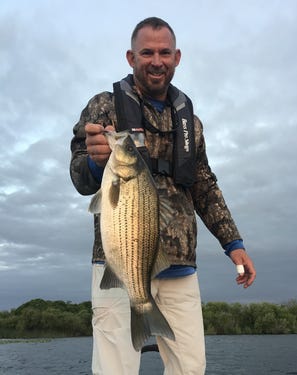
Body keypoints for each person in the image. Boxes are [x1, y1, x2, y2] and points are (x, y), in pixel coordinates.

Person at [70, 17, 256, 375]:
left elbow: (203, 184)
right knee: (114, 370)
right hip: (118, 261)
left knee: (190, 367)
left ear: (177, 57)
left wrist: (234, 243)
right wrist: (95, 163)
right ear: (131, 57)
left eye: (164, 52)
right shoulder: (104, 106)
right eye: (147, 52)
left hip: (179, 263)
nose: (156, 60)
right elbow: (79, 178)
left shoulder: (191, 122)